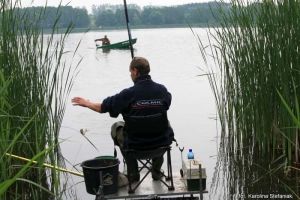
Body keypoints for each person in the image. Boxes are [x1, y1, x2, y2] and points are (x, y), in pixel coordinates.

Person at [71, 57, 174, 182]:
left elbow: (102, 108)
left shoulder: (127, 94)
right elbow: (167, 103)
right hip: (160, 145)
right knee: (165, 123)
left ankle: (133, 173)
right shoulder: (162, 90)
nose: (130, 74)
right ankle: (156, 172)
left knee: (116, 126)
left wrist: (86, 103)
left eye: (130, 71)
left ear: (135, 71)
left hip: (135, 146)